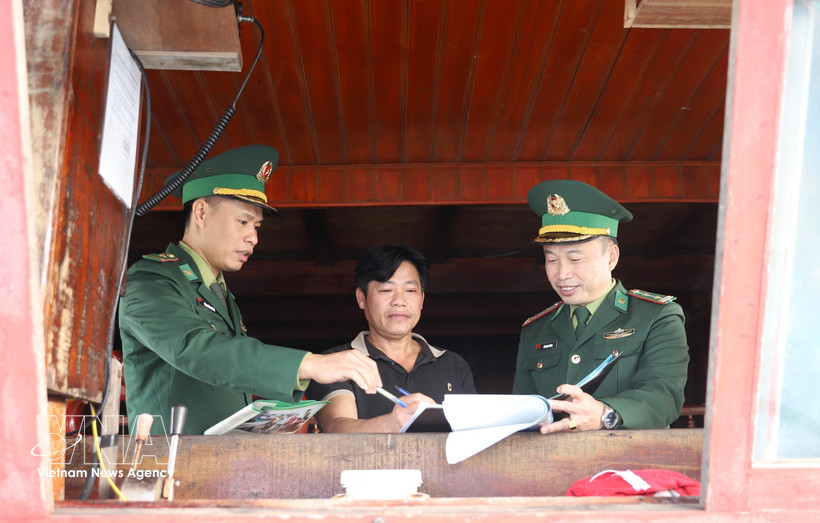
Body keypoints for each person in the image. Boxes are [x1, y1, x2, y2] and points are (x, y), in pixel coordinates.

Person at [118, 145, 382, 434]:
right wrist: (309, 364)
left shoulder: (219, 292)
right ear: (201, 212)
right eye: (243, 221)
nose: (253, 237)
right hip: (168, 456)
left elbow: (229, 374)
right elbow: (195, 349)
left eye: (256, 226)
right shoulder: (151, 279)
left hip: (220, 456)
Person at [512, 180, 689, 433]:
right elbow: (523, 414)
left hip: (628, 458)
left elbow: (664, 399)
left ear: (611, 257)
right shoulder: (535, 330)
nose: (561, 273)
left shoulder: (657, 316)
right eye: (551, 260)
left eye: (575, 259)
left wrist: (606, 414)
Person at [306, 244, 476, 433]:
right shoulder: (337, 363)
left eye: (410, 291)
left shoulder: (453, 365)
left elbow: (473, 431)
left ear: (421, 300)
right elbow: (337, 427)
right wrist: (390, 424)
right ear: (361, 298)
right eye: (386, 290)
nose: (399, 301)